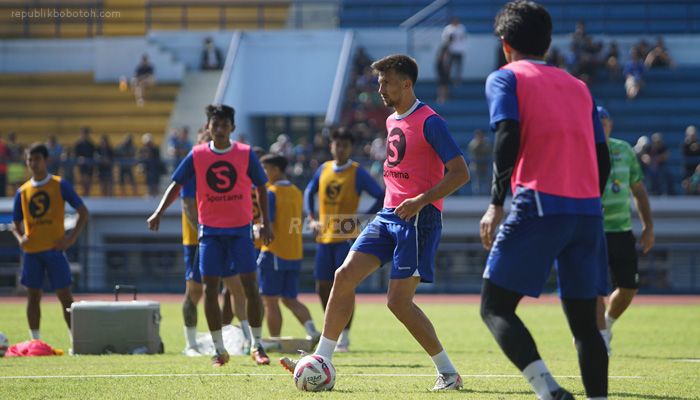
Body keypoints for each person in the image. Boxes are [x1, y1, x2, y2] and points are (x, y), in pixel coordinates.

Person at [281, 54, 469, 391]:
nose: (379, 88)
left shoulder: (431, 122)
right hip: (388, 215)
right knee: (344, 275)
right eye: (379, 81)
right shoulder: (392, 119)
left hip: (418, 218)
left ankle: (448, 372)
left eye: (386, 82)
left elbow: (461, 173)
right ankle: (322, 358)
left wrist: (420, 200)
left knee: (397, 302)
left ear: (406, 83)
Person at [479, 2, 611, 400]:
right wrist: (588, 199)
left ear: (505, 45)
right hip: (587, 211)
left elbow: (506, 136)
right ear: (548, 43)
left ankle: (549, 391)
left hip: (538, 203)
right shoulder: (580, 87)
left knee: (495, 307)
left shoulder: (505, 79)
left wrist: (496, 203)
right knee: (586, 324)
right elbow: (601, 158)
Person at [147, 104, 273, 367]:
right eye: (214, 124)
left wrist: (266, 222)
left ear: (232, 128)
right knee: (209, 289)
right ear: (208, 127)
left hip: (240, 231)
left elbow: (261, 186)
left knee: (250, 287)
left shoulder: (245, 153)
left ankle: (257, 345)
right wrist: (158, 212)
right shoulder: (197, 154)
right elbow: (176, 184)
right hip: (210, 234)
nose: (219, 129)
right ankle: (219, 350)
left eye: (224, 124)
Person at [303, 128, 384, 352]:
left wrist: (361, 218)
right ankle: (332, 327)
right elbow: (310, 192)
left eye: (345, 146)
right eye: (337, 145)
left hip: (346, 237)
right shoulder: (323, 169)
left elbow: (381, 195)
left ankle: (344, 336)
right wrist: (312, 219)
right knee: (321, 286)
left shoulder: (357, 172)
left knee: (345, 285)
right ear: (331, 146)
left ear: (350, 148)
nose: (340, 149)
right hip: (324, 237)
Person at [179, 129, 250, 356]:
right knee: (195, 291)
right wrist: (204, 233)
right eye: (206, 139)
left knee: (237, 288)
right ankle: (190, 344)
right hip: (199, 240)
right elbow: (187, 204)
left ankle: (250, 340)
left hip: (227, 236)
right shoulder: (194, 166)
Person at [12, 143, 89, 342]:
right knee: (33, 296)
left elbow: (83, 211)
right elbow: (16, 222)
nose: (33, 164)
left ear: (46, 160)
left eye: (37, 159)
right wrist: (21, 238)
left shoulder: (59, 184)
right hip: (32, 252)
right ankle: (34, 341)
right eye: (30, 160)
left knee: (65, 296)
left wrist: (71, 239)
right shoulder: (22, 191)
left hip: (55, 249)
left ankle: (76, 341)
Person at [596, 107, 654, 356]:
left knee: (629, 287)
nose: (601, 125)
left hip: (621, 230)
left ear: (611, 123)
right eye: (596, 122)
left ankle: (606, 324)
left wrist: (648, 226)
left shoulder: (624, 150)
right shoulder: (580, 148)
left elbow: (638, 191)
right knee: (595, 288)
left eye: (604, 121)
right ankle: (598, 339)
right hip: (592, 231)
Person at [257, 154, 321, 341]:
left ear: (276, 170)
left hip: (275, 251)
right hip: (294, 252)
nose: (263, 173)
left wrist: (256, 229)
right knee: (289, 299)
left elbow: (268, 223)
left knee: (270, 300)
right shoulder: (296, 191)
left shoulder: (270, 191)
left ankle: (275, 339)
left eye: (265, 169)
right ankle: (313, 331)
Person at [441, 17, 467, 84]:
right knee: (449, 66)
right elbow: (444, 39)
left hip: (459, 50)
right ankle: (449, 79)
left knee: (458, 66)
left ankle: (457, 79)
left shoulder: (461, 28)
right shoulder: (448, 28)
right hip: (451, 50)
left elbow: (463, 38)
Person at [468, 129, 492, 195]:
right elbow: (473, 152)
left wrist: (483, 144)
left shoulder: (486, 142)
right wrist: (479, 143)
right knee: (476, 181)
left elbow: (489, 151)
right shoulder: (473, 143)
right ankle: (476, 194)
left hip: (485, 165)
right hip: (476, 165)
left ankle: (486, 194)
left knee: (486, 181)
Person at [74, 127, 95, 196]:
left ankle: (87, 194)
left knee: (88, 183)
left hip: (89, 166)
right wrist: (80, 158)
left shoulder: (91, 144)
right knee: (83, 182)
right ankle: (85, 195)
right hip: (82, 167)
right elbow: (75, 155)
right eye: (83, 133)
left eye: (86, 133)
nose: (85, 135)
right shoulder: (78, 144)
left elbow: (94, 154)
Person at [435, 37, 452, 104]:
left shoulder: (443, 47)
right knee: (443, 84)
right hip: (442, 68)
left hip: (439, 67)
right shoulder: (446, 48)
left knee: (441, 83)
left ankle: (441, 97)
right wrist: (446, 68)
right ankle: (442, 98)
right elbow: (445, 58)